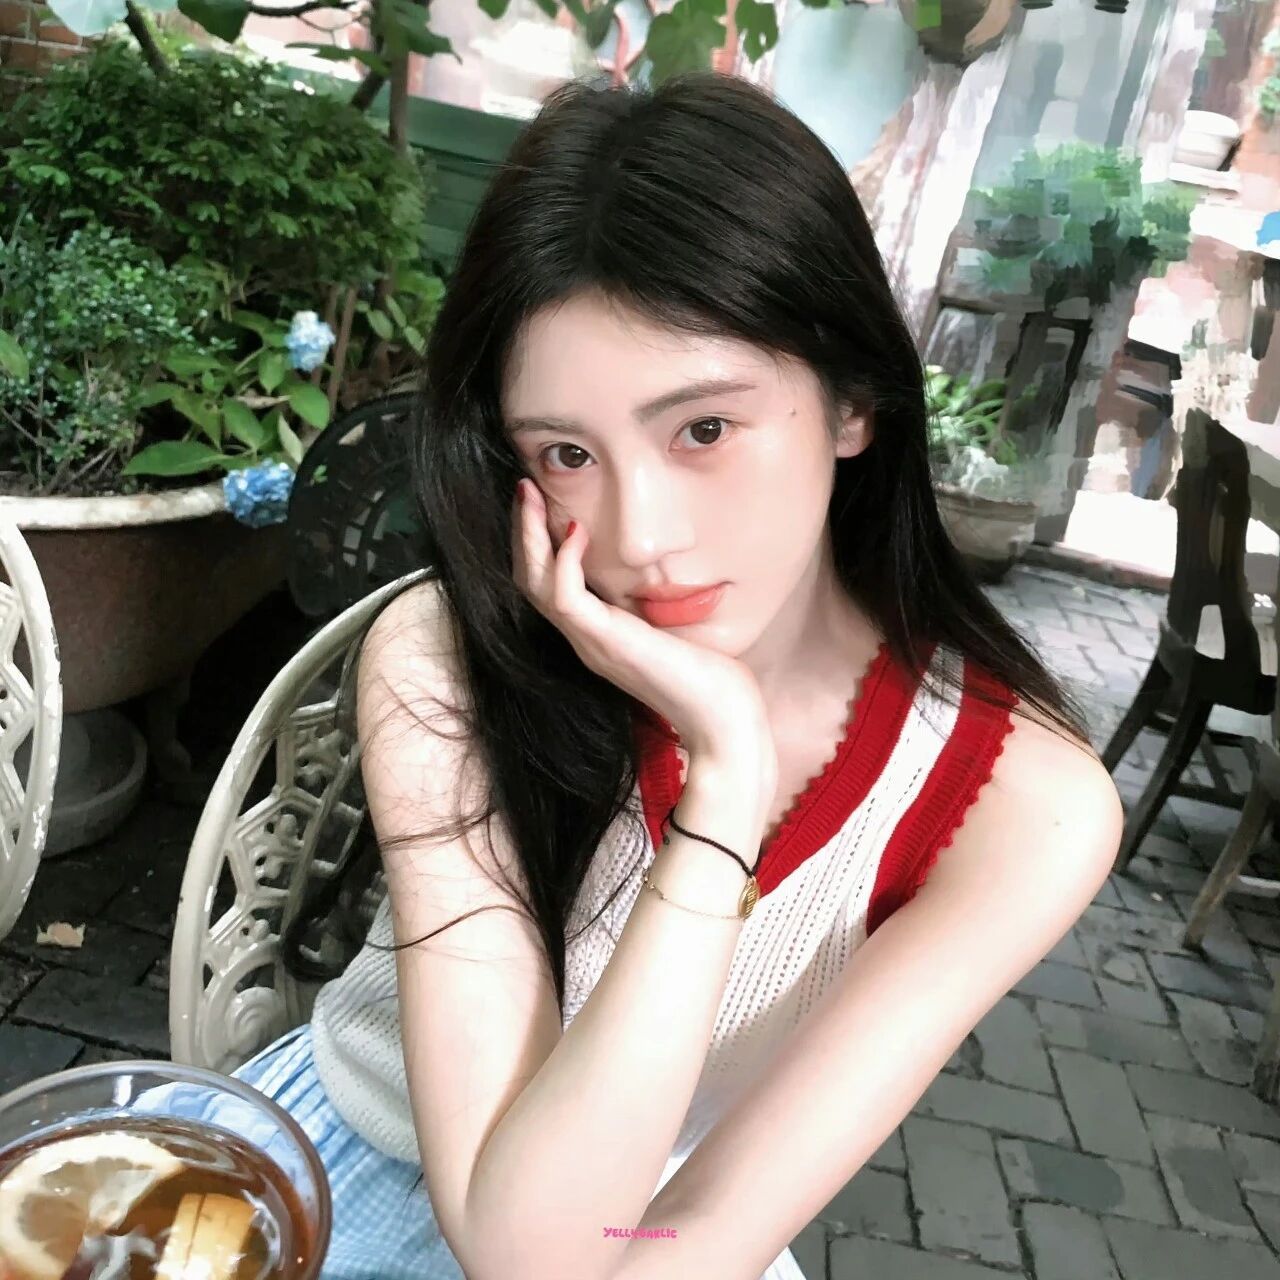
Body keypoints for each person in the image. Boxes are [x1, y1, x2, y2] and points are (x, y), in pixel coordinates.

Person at [218, 68, 1123, 1280]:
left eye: (703, 428)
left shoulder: (1019, 808)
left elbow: (645, 1239)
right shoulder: (444, 654)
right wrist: (723, 793)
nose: (639, 537)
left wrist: (722, 790)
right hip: (345, 1162)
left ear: (851, 401)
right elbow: (520, 1240)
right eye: (566, 452)